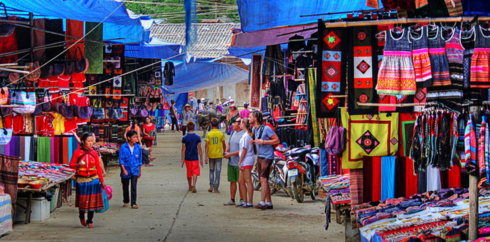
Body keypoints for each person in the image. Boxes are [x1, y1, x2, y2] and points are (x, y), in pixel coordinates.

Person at [69, 132, 106, 228]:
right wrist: (78, 165)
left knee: (92, 201)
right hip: (81, 180)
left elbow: (98, 167)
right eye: (88, 141)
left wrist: (101, 181)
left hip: (94, 179)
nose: (90, 143)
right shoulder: (77, 152)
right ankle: (81, 216)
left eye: (91, 141)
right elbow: (71, 165)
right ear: (82, 141)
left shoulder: (94, 152)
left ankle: (90, 220)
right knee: (83, 201)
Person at [248, 110, 280, 210]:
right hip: (260, 156)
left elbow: (277, 140)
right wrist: (253, 142)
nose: (249, 118)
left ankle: (262, 202)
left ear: (255, 118)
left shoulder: (266, 129)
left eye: (250, 116)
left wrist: (264, 141)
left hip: (267, 156)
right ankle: (269, 202)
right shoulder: (255, 129)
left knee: (263, 178)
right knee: (263, 178)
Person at [223, 117, 244, 206]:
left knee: (241, 182)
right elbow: (229, 144)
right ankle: (232, 199)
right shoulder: (232, 133)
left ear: (239, 124)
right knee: (232, 181)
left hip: (239, 162)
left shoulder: (244, 135)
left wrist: (230, 154)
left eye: (234, 123)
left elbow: (242, 150)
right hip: (231, 162)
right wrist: (226, 151)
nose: (232, 125)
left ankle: (242, 199)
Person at [119, 130, 143, 209]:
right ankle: (126, 201)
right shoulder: (123, 147)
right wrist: (123, 169)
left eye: (136, 137)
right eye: (134, 137)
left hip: (135, 169)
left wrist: (139, 170)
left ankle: (133, 203)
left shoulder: (138, 147)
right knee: (125, 186)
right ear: (129, 138)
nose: (136, 139)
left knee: (134, 186)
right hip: (126, 169)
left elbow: (140, 160)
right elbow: (121, 159)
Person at [181, 121, 204, 193]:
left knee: (189, 172)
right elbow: (199, 149)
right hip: (195, 157)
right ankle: (194, 184)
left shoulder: (184, 138)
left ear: (187, 128)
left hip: (187, 157)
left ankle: (190, 186)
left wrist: (182, 159)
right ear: (194, 127)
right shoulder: (197, 137)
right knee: (195, 171)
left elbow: (183, 149)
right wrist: (201, 159)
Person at [237, 118, 255, 208]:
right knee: (241, 181)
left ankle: (250, 201)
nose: (239, 124)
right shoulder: (246, 135)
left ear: (243, 124)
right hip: (245, 159)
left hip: (246, 159)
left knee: (247, 180)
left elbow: (244, 150)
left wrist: (240, 162)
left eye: (240, 122)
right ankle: (244, 200)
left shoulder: (246, 136)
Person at [205, 118, 226, 193]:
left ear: (211, 124)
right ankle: (216, 188)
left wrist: (206, 156)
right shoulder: (221, 134)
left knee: (211, 170)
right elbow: (224, 144)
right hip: (219, 155)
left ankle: (211, 185)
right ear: (218, 125)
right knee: (218, 171)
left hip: (211, 155)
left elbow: (206, 145)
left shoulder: (208, 134)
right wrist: (224, 152)